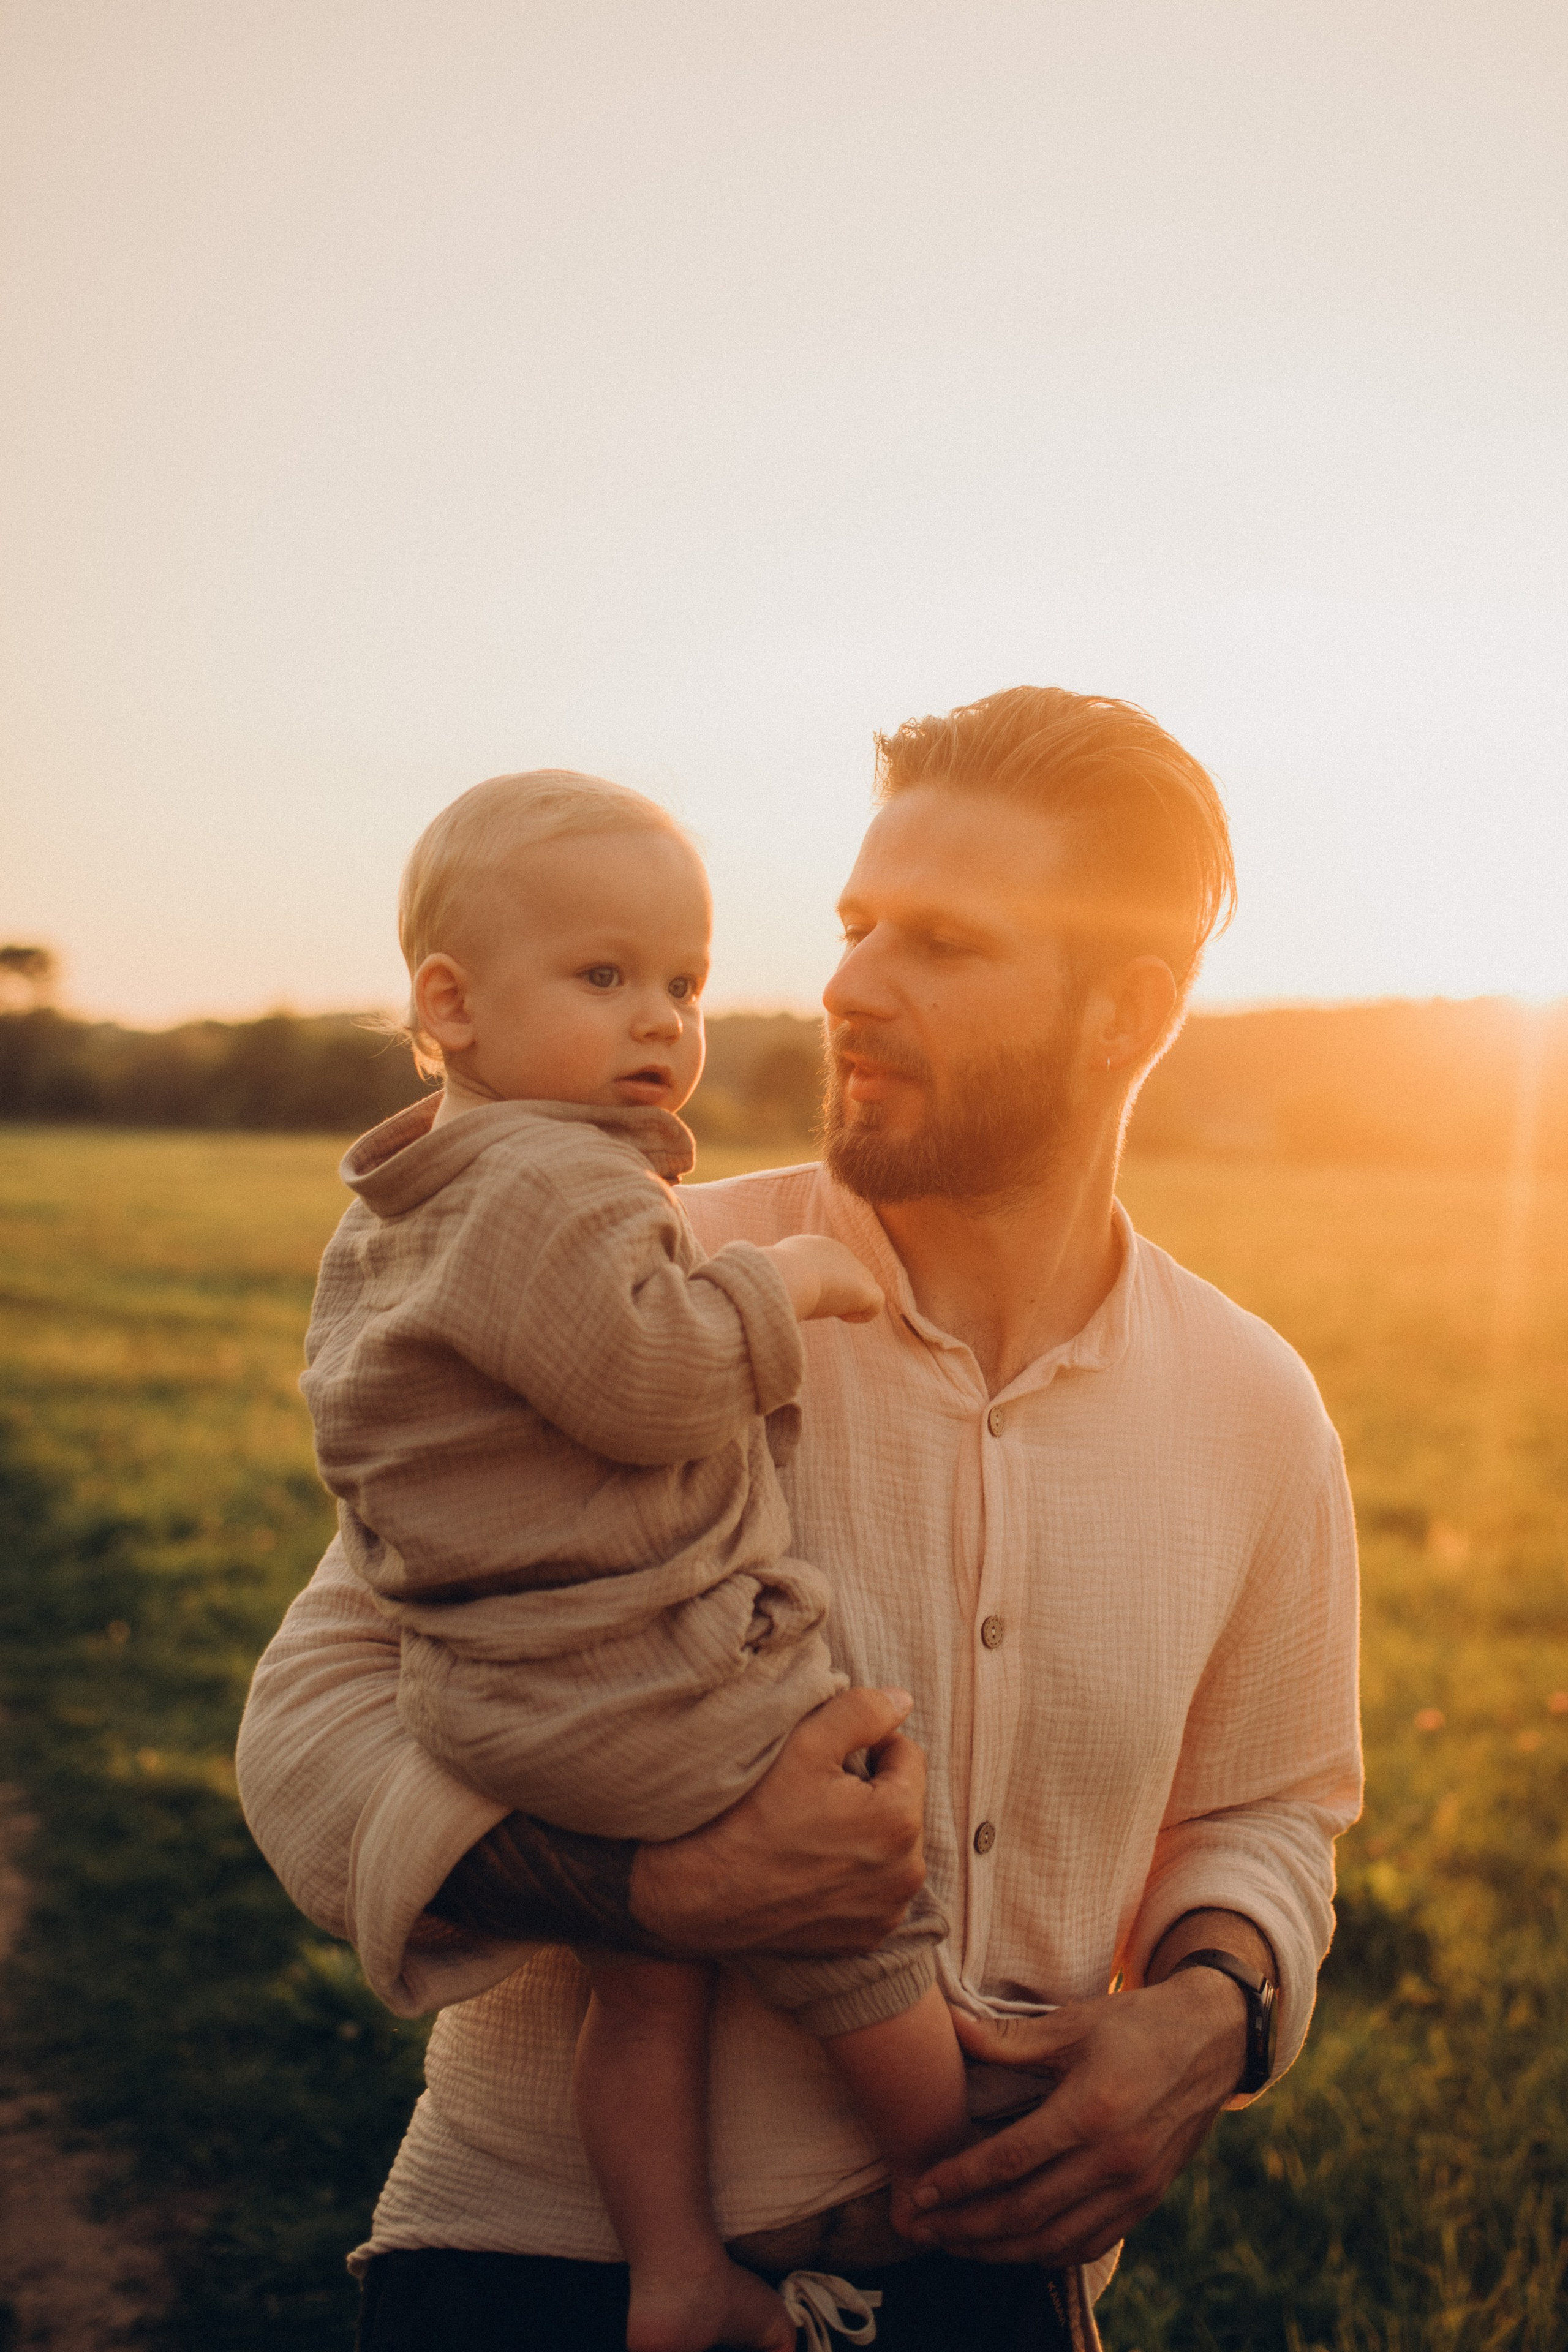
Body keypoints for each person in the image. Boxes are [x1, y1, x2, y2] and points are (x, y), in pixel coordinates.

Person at [238, 685, 1363, 2352]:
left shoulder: (1256, 1404)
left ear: (1126, 1014)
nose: (847, 985)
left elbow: (1272, 1808)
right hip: (542, 2276)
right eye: (855, 925)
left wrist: (1215, 2011)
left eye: (943, 943)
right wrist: (657, 1894)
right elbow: (308, 1738)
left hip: (1000, 2292)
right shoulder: (627, 1288)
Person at [298, 767, 968, 2352]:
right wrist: (783, 1282)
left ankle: (674, 2271)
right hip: (628, 1676)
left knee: (649, 1988)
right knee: (853, 1907)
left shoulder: (412, 1200)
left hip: (499, 1691)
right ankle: (963, 2178)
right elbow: (648, 1383)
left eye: (686, 982)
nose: (662, 1019)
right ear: (450, 1005)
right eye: (604, 976)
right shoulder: (548, 1176)